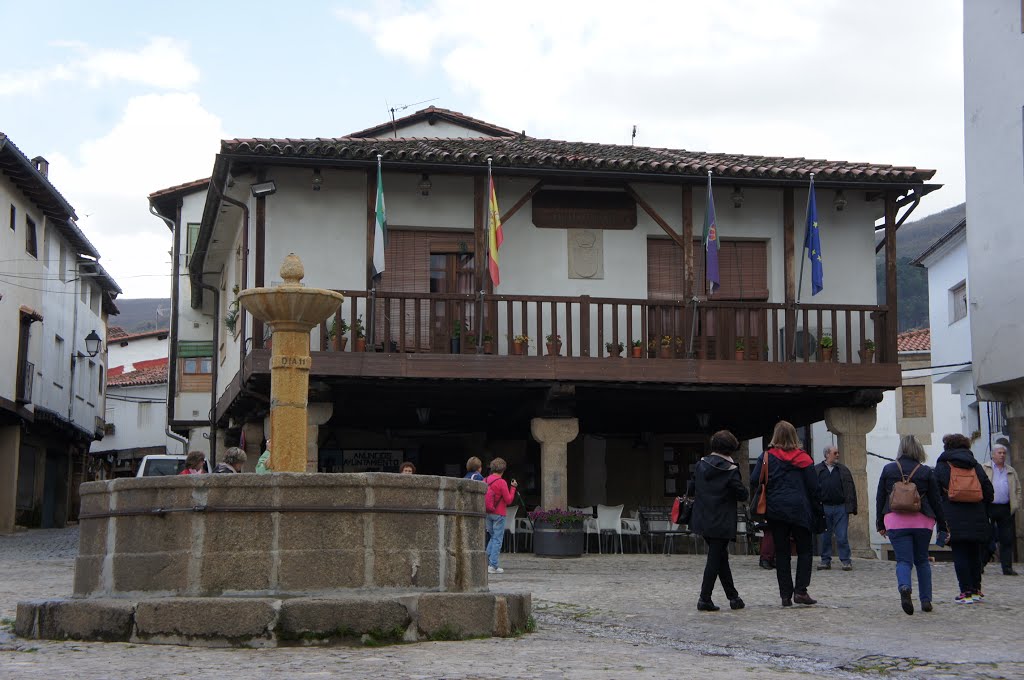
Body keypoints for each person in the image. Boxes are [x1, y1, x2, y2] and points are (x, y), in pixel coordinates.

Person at [751, 420, 823, 607]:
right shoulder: (804, 458)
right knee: (805, 550)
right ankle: (801, 591)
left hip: (776, 510)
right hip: (800, 509)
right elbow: (814, 487)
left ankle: (785, 595)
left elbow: (754, 479)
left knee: (782, 552)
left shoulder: (767, 456)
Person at [875, 435, 948, 615]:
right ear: (918, 450)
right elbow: (936, 500)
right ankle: (926, 600)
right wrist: (943, 525)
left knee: (903, 560)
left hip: (895, 521)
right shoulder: (925, 472)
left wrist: (880, 523)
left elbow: (880, 498)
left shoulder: (888, 469)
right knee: (922, 560)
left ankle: (905, 587)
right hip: (922, 521)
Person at [689, 430, 749, 612]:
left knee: (720, 557)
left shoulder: (701, 465)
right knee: (715, 559)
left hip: (702, 518)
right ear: (730, 449)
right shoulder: (730, 470)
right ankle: (704, 598)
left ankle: (733, 597)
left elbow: (692, 488)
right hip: (721, 521)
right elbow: (742, 494)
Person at [935, 433, 994, 603]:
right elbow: (988, 491)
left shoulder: (943, 465)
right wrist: (983, 508)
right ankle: (976, 590)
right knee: (975, 552)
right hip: (976, 513)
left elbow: (936, 492)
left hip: (953, 515)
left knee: (960, 553)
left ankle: (965, 591)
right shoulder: (975, 465)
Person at [815, 445, 857, 571]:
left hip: (840, 508)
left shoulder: (843, 470)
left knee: (842, 536)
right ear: (827, 454)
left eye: (838, 452)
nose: (838, 455)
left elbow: (851, 490)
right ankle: (825, 560)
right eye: (835, 453)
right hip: (824, 508)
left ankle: (846, 560)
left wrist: (851, 506)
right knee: (825, 536)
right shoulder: (817, 470)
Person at [982, 444, 1021, 575]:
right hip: (989, 506)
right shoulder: (985, 468)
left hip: (1005, 507)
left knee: (1007, 538)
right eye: (999, 453)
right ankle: (981, 564)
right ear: (993, 454)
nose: (1002, 455)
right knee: (986, 537)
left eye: (1004, 453)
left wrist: (1016, 502)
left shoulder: (1010, 470)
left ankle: (1007, 567)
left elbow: (1017, 489)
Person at [484, 457, 518, 574]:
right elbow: (508, 500)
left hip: (487, 513)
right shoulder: (502, 482)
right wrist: (513, 488)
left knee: (492, 538)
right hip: (499, 514)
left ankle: (485, 562)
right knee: (497, 539)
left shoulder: (485, 480)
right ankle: (493, 565)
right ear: (503, 470)